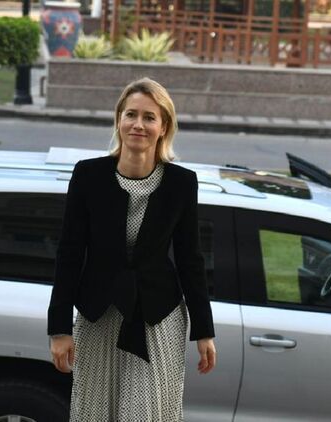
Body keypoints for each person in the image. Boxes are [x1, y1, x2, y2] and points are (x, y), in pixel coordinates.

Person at [48, 77, 216, 420]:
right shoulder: (88, 176)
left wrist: (204, 330)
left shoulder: (182, 183)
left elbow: (190, 259)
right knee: (95, 412)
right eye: (131, 115)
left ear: (163, 127)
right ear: (119, 120)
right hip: (99, 315)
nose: (138, 124)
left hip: (158, 320)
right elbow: (69, 255)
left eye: (149, 117)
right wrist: (59, 328)